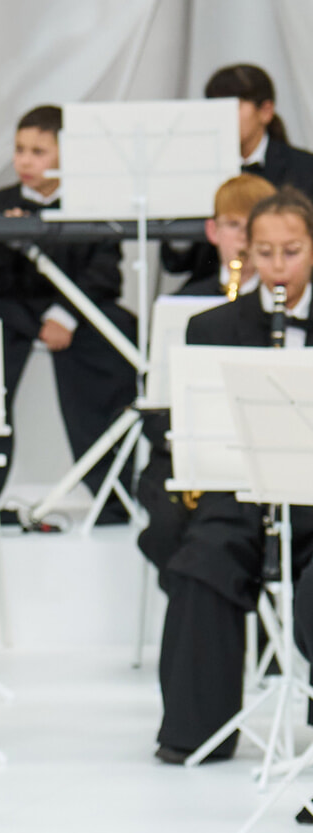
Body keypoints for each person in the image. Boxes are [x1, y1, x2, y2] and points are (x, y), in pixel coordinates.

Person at [155, 188, 313, 764]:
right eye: (265, 252)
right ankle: (197, 732)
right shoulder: (212, 325)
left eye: (292, 252)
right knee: (202, 562)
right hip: (244, 489)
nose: (277, 267)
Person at [0, 104, 137, 520]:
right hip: (13, 313)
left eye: (39, 151)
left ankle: (110, 493)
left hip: (77, 312)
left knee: (118, 331)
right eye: (20, 149)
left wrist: (65, 316)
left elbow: (104, 272)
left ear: (66, 155)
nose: (25, 160)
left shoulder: (95, 203)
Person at [137, 174, 274, 575]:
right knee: (168, 529)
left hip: (257, 454)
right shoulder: (183, 303)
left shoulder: (286, 308)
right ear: (213, 231)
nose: (244, 239)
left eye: (254, 226)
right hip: (189, 454)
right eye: (234, 225)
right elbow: (157, 402)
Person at [164, 66, 313, 288]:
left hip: (285, 287)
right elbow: (177, 262)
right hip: (214, 289)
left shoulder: (304, 168)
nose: (222, 118)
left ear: (265, 111)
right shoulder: (196, 169)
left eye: (233, 107)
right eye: (214, 108)